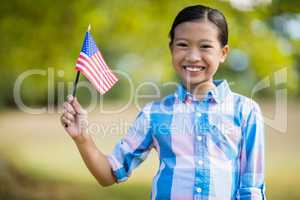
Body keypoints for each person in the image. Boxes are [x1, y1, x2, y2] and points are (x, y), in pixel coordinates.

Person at [60, 4, 266, 199]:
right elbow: (109, 174)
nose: (193, 56)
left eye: (205, 46)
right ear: (171, 49)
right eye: (183, 45)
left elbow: (251, 189)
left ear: (223, 53)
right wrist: (82, 138)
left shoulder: (245, 111)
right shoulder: (155, 114)